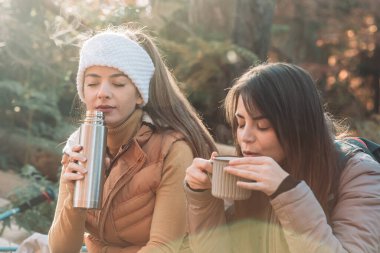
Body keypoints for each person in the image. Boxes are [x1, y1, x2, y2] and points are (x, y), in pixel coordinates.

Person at [48, 25, 216, 253]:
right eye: (92, 83)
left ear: (139, 94)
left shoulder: (172, 149)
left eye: (118, 83)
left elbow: (163, 247)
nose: (102, 93)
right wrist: (73, 201)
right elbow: (60, 250)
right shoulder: (77, 145)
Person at [184, 62, 380, 253]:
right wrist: (201, 197)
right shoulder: (248, 173)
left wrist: (287, 192)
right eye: (241, 124)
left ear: (298, 125)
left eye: (263, 126)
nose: (245, 137)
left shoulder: (359, 175)